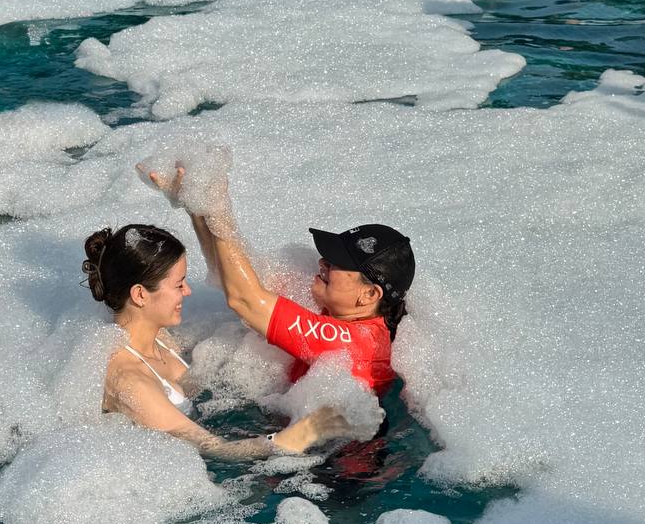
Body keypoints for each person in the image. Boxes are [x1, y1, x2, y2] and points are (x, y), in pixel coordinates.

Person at [141, 164, 415, 399]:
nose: (322, 263)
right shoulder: (339, 312)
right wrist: (196, 207)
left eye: (336, 263)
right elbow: (231, 280)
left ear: (369, 295)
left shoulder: (354, 342)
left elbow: (244, 300)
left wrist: (218, 209)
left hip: (331, 446)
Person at [84, 224, 351, 461]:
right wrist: (301, 434)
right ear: (140, 295)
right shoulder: (130, 383)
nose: (188, 291)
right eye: (179, 285)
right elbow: (214, 449)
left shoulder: (161, 339)